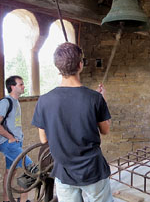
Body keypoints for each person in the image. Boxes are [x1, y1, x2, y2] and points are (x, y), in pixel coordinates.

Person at [32, 42, 113, 202]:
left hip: (64, 171)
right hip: (92, 170)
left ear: (58, 68)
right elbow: (105, 130)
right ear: (80, 65)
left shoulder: (44, 100)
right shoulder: (94, 98)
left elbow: (44, 139)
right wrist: (102, 99)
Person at [0, 75, 34, 202]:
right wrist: (10, 137)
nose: (23, 86)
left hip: (15, 143)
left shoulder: (15, 102)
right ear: (12, 87)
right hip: (9, 144)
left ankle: (6, 200)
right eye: (20, 84)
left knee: (10, 172)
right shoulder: (6, 102)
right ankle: (23, 200)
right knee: (31, 169)